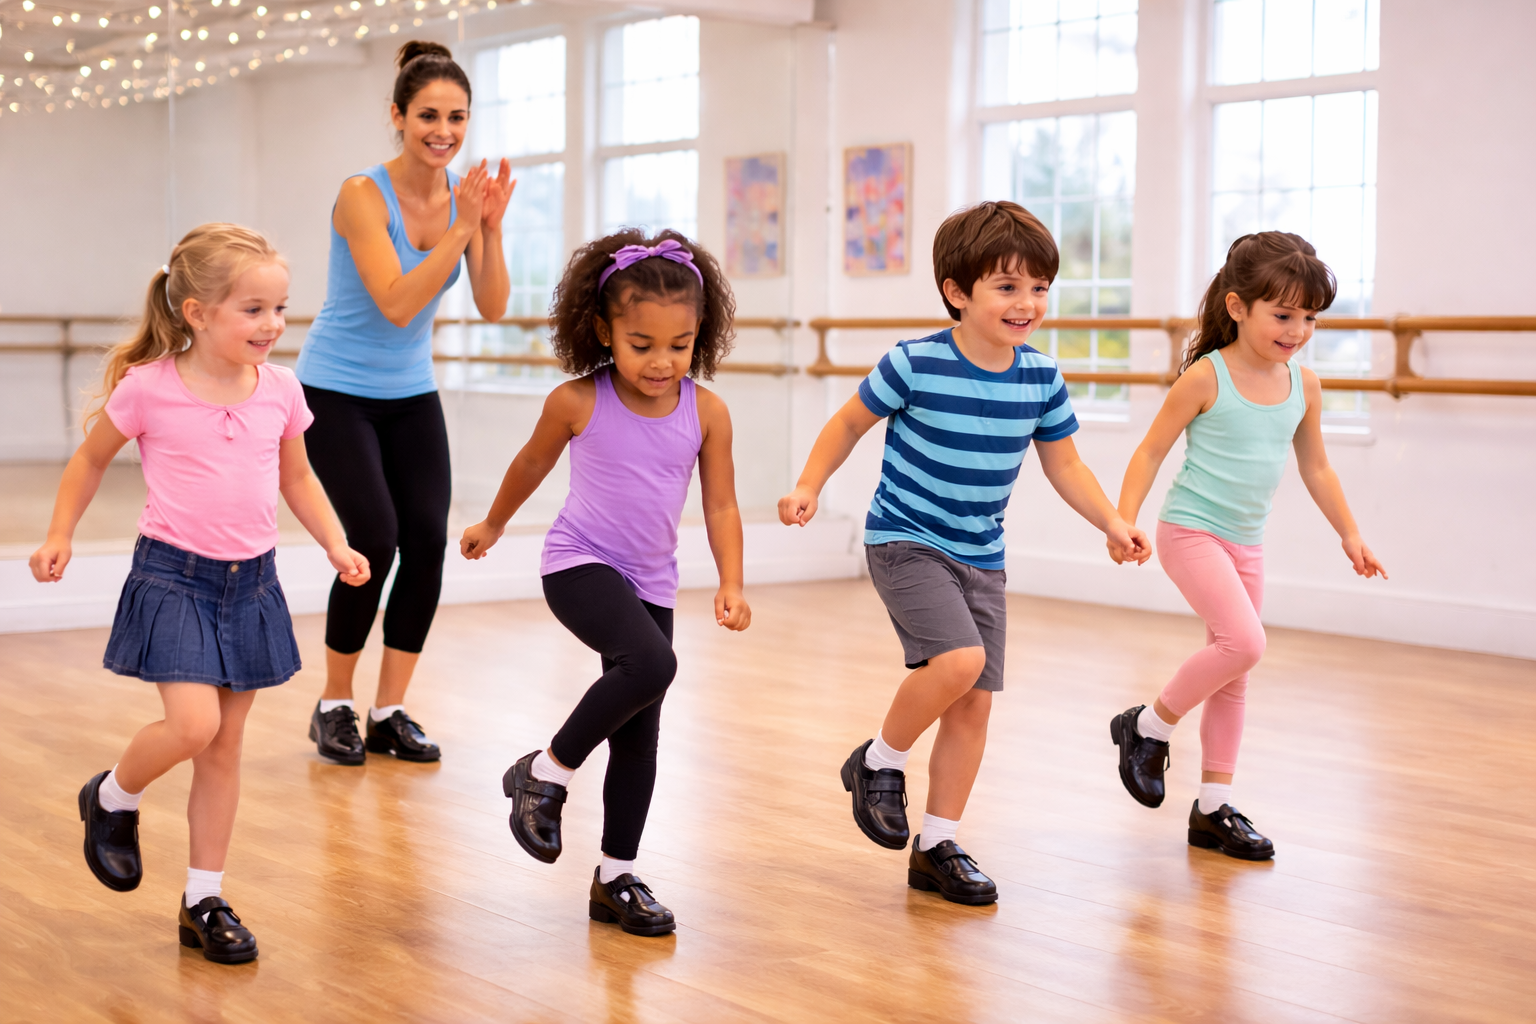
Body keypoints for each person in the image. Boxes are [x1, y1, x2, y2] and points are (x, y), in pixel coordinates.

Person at [778, 201, 1149, 904]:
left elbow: (1065, 467)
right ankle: (879, 761)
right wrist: (807, 484)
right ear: (958, 291)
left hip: (982, 553)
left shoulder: (1040, 377)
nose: (1027, 303)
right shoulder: (914, 362)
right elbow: (848, 422)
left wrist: (1112, 520)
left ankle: (938, 843)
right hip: (905, 541)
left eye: (1039, 288)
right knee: (959, 661)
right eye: (1007, 287)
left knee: (973, 703)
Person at [30, 225, 370, 963]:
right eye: (253, 310)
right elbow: (89, 463)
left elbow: (298, 478)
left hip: (251, 584)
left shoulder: (281, 388)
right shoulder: (150, 387)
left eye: (279, 308)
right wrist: (60, 532)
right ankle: (114, 795)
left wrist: (335, 542)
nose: (273, 325)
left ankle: (203, 896)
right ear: (196, 313)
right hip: (173, 577)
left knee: (224, 746)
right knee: (191, 728)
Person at [461, 230, 750, 937]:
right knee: (652, 663)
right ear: (603, 330)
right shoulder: (576, 401)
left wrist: (732, 582)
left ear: (699, 337)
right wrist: (495, 524)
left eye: (679, 344)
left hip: (653, 580)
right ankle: (547, 769)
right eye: (642, 343)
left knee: (640, 737)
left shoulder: (706, 412)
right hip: (578, 563)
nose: (662, 361)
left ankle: (616, 876)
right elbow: (530, 465)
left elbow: (720, 504)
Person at [1109, 232, 1387, 860]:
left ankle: (1212, 808)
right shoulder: (1207, 377)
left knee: (1235, 671)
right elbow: (1150, 449)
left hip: (1245, 544)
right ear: (1238, 307)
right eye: (1283, 315)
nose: (1297, 330)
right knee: (1246, 643)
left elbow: (1317, 468)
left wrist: (1350, 533)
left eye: (1309, 317)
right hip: (1190, 531)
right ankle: (1147, 727)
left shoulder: (1304, 386)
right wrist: (1122, 520)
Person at [296, 40, 513, 766]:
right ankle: (333, 704)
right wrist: (460, 227)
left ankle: (388, 711)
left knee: (425, 541)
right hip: (335, 390)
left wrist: (490, 226)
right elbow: (394, 302)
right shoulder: (363, 194)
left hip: (410, 393)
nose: (443, 130)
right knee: (373, 541)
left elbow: (490, 303)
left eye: (457, 116)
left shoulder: (465, 198)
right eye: (428, 115)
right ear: (398, 115)